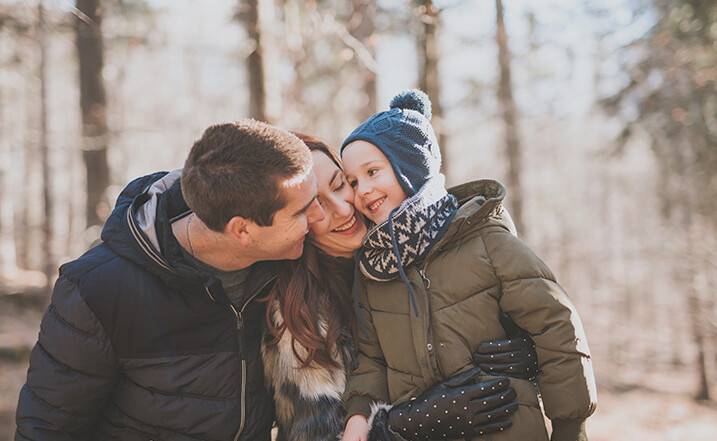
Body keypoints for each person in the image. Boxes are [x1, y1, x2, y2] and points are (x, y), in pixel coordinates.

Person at [14, 120, 326, 441]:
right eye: (301, 211)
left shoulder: (286, 264)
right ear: (242, 230)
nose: (319, 216)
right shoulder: (96, 291)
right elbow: (46, 430)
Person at [339, 90, 598, 441]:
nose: (362, 190)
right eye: (353, 181)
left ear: (411, 167)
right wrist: (358, 413)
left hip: (506, 427)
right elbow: (371, 357)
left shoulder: (485, 240)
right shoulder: (374, 269)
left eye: (373, 172)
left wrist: (570, 425)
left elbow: (556, 325)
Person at [261, 133, 541, 441]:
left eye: (341, 184)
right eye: (317, 206)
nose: (343, 209)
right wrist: (403, 425)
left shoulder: (431, 254)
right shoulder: (300, 317)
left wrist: (529, 354)